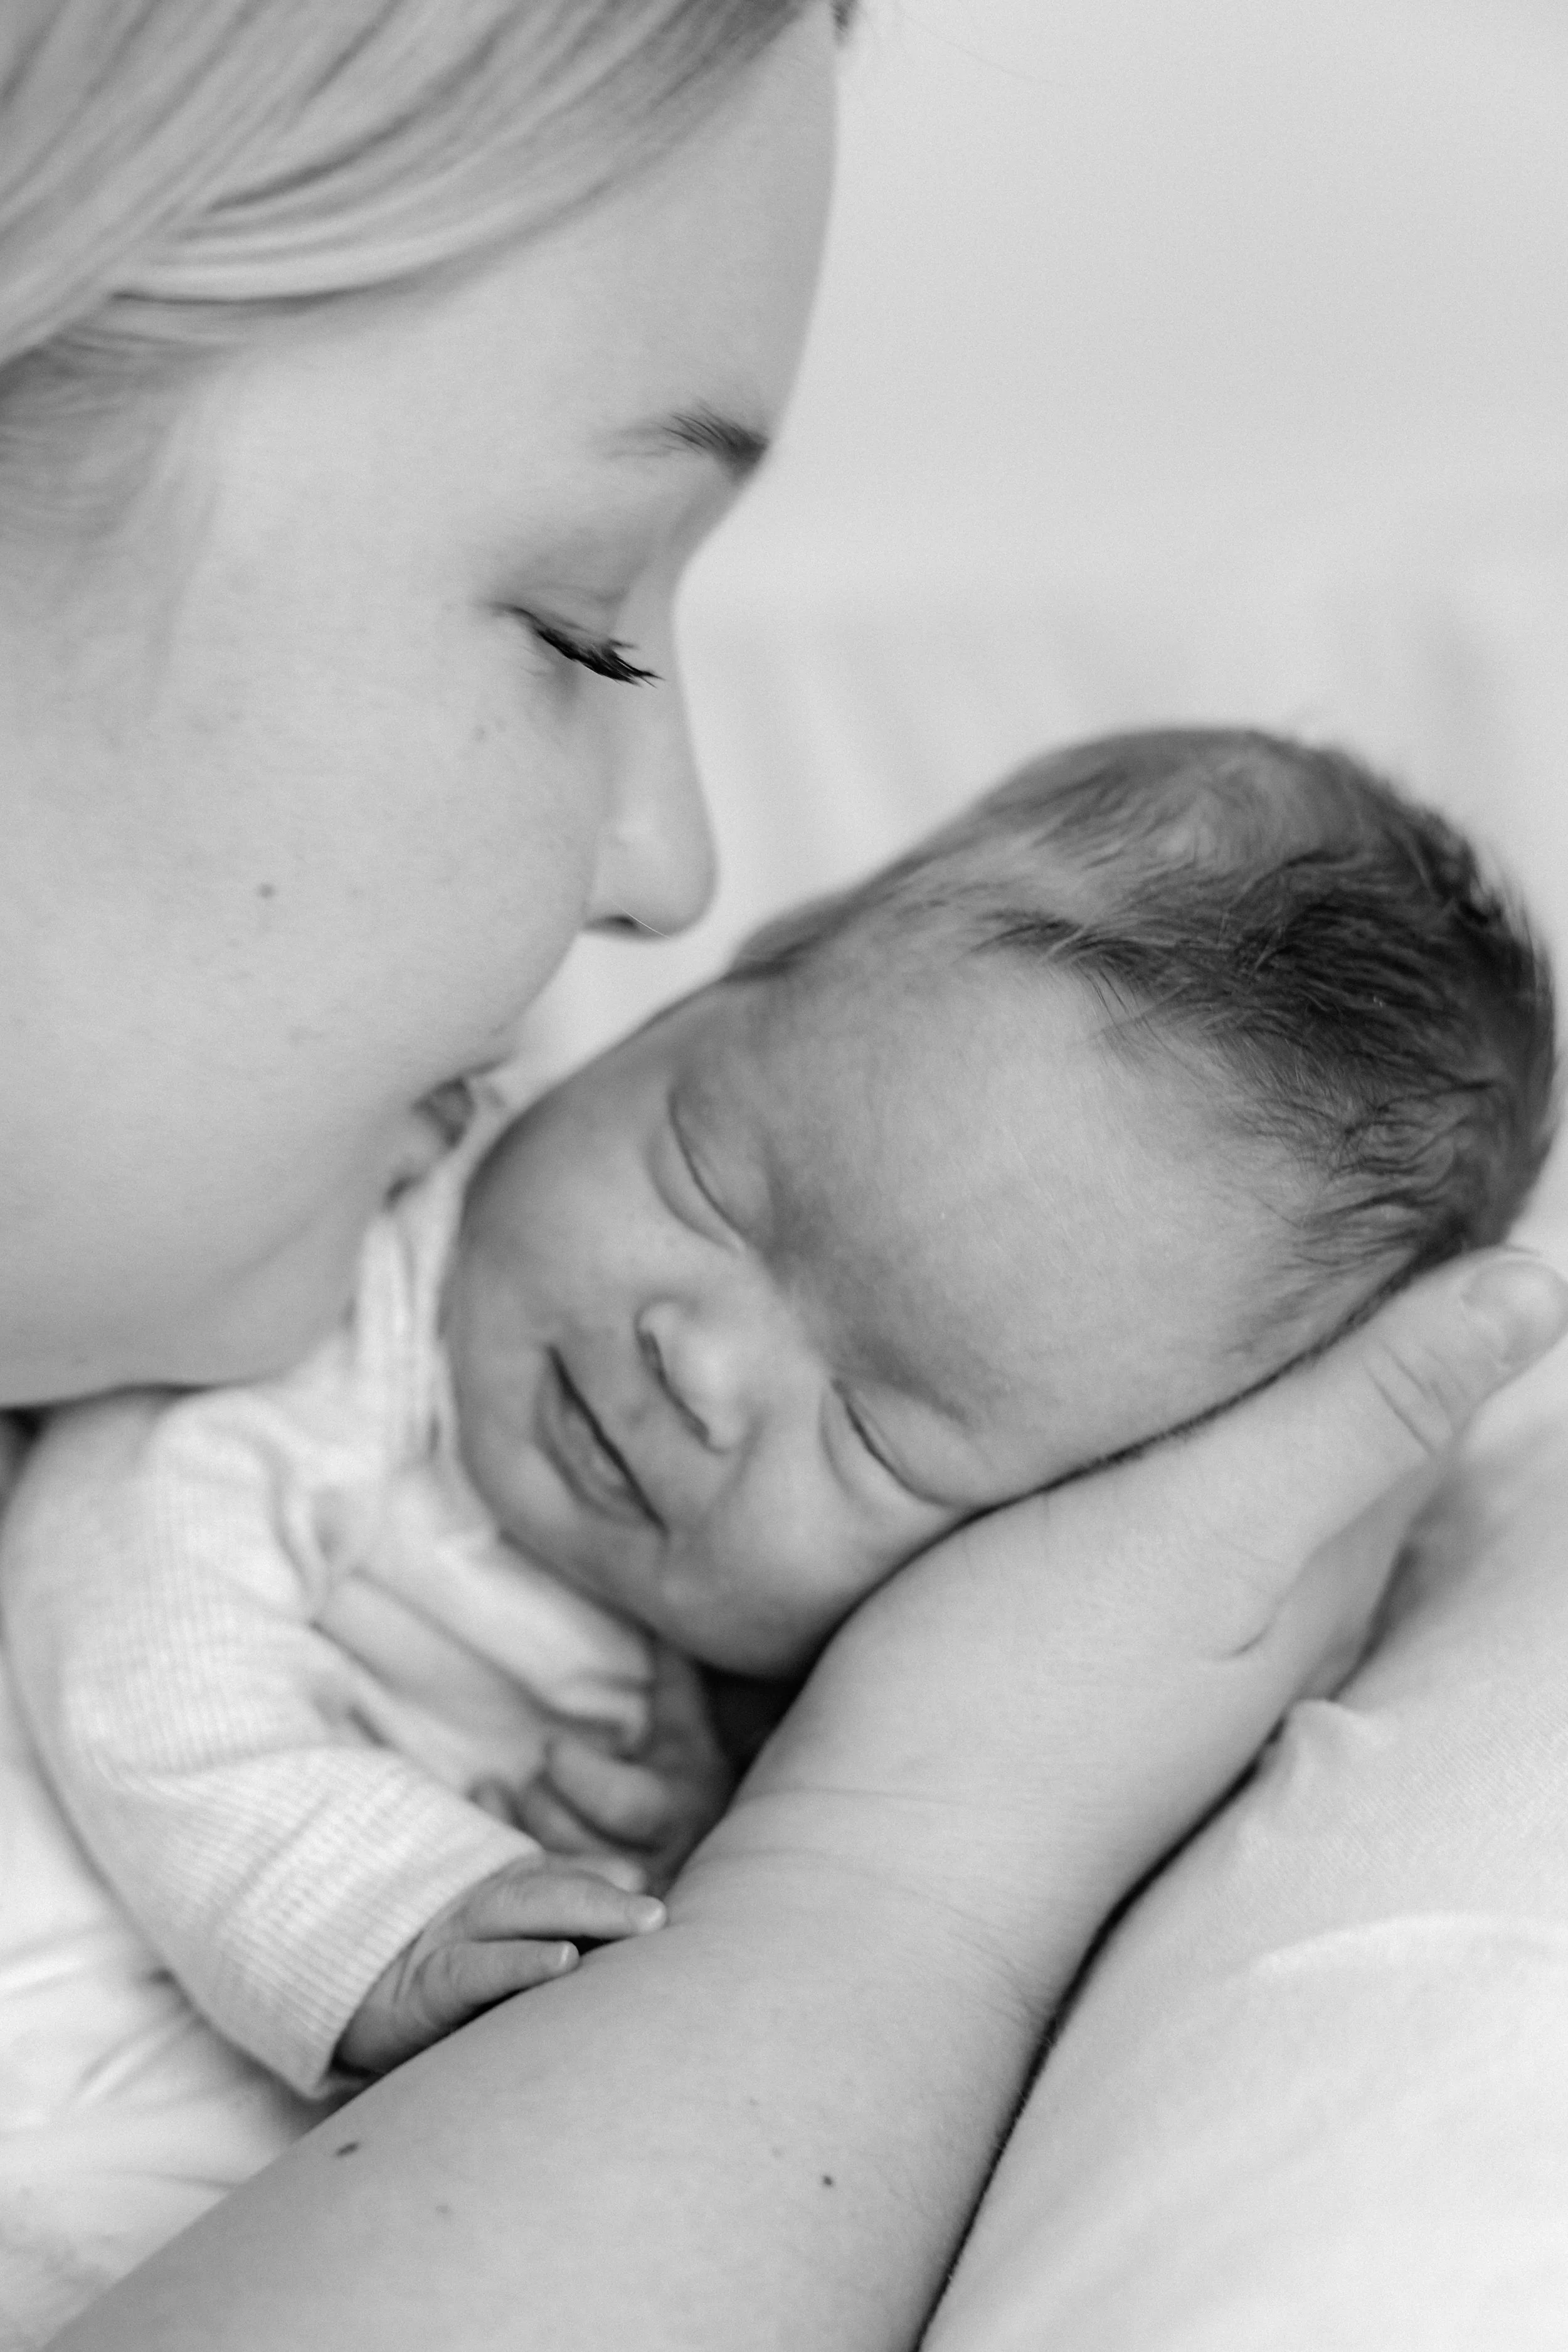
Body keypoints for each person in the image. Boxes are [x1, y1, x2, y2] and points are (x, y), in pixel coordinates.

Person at [0, 8, 1563, 2349]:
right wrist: (901, 1889)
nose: (670, 858)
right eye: (581, 620)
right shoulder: (331, 1364)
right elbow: (146, 1624)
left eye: (891, 1428)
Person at [1, 729, 1555, 2107]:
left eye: (873, 1432)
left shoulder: (824, 1698)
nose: (698, 1362)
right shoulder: (348, 1297)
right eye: (702, 1178)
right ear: (734, 976)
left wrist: (694, 1829)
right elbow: (123, 1616)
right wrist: (369, 1909)